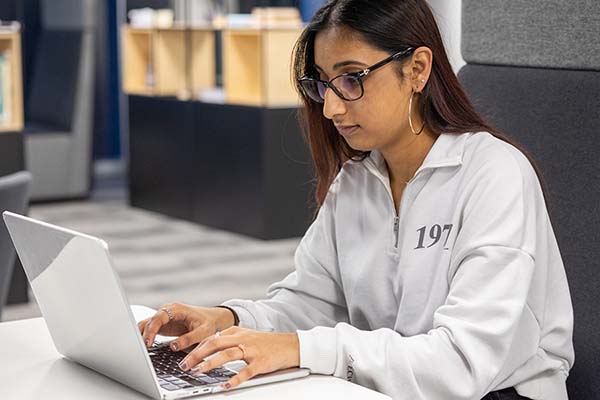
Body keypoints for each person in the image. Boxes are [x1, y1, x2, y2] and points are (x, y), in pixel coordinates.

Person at [138, 1, 574, 399]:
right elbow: (312, 302)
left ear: (418, 70)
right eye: (322, 85)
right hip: (388, 388)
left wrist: (300, 348)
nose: (330, 108)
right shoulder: (356, 181)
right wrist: (230, 319)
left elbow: (462, 362)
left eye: (351, 79)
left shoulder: (493, 173)